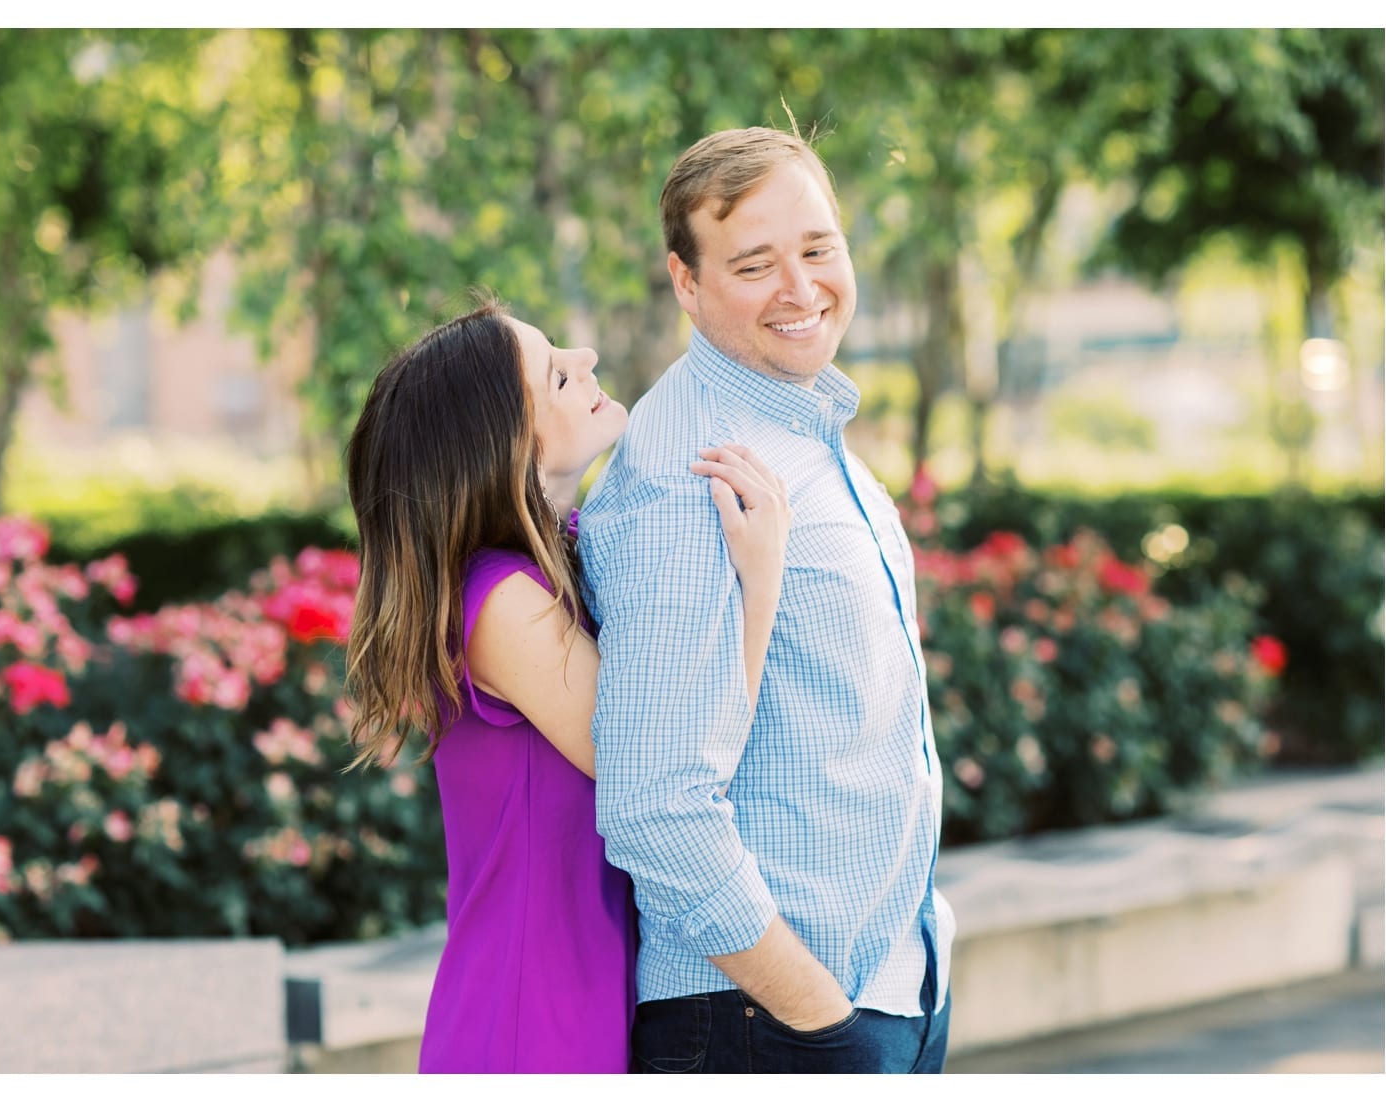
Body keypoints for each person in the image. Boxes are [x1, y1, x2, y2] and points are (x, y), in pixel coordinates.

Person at [577, 125, 956, 1074]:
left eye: (818, 248)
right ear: (686, 283)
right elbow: (655, 804)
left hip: (884, 987)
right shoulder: (688, 475)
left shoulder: (800, 424)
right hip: (771, 1022)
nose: (801, 288)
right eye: (754, 264)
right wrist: (818, 1019)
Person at [342, 298, 791, 1073]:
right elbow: (662, 756)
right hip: (528, 1020)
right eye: (555, 374)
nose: (584, 358)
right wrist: (761, 584)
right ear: (502, 446)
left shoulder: (567, 559)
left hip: (582, 995)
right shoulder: (499, 601)